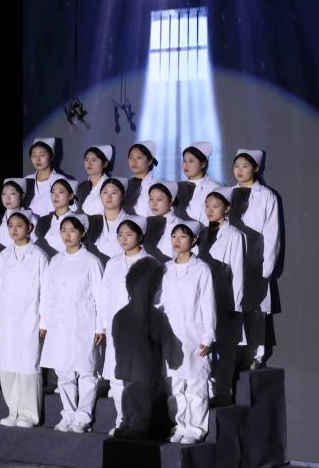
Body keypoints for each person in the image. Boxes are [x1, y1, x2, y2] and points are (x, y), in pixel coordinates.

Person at [40, 215, 105, 432]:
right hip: (59, 325)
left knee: (86, 371)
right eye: (63, 230)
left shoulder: (91, 262)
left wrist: (100, 326)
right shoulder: (56, 261)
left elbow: (100, 298)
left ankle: (83, 417)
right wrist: (45, 323)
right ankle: (68, 414)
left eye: (72, 230)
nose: (67, 235)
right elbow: (48, 294)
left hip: (84, 323)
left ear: (82, 233)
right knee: (64, 372)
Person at [156, 220, 216, 444]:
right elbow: (160, 301)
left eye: (183, 236)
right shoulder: (165, 268)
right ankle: (179, 425)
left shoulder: (202, 269)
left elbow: (208, 304)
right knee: (174, 385)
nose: (177, 241)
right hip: (170, 335)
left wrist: (208, 336)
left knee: (195, 384)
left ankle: (195, 429)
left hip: (194, 333)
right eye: (174, 236)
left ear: (194, 240)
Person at [101, 217, 162, 438]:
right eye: (120, 235)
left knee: (138, 377)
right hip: (118, 328)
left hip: (140, 328)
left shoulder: (151, 263)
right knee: (118, 377)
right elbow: (104, 296)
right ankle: (123, 420)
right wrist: (103, 325)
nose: (124, 239)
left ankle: (139, 423)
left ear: (140, 236)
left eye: (129, 234)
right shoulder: (113, 263)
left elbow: (158, 298)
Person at [0, 211, 48, 428]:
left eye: (19, 225)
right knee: (6, 367)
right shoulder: (3, 256)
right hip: (5, 320)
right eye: (10, 225)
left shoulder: (39, 256)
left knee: (27, 367)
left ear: (30, 228)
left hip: (29, 318)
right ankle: (12, 411)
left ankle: (28, 414)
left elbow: (46, 291)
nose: (14, 230)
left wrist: (44, 322)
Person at [229, 149, 281, 369]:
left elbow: (272, 233)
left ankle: (256, 355)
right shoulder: (228, 194)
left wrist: (266, 267)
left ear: (256, 168)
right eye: (236, 166)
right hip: (232, 260)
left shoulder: (267, 196)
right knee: (234, 307)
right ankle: (236, 353)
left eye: (245, 166)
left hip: (255, 260)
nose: (239, 171)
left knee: (257, 309)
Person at [198, 189, 246, 403]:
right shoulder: (201, 233)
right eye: (207, 206)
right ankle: (206, 391)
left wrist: (235, 304)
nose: (210, 210)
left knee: (225, 345)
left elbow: (238, 271)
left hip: (224, 295)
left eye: (215, 206)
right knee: (205, 343)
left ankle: (224, 392)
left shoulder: (234, 235)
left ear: (227, 209)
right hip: (202, 295)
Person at [84, 177, 131, 261]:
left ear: (123, 196)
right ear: (100, 195)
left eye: (114, 192)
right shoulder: (91, 222)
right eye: (105, 192)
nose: (109, 197)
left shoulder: (132, 222)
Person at [0, 178, 38, 252]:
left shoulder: (31, 219)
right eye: (4, 194)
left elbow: (35, 244)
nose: (7, 198)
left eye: (12, 193)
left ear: (22, 195)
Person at [24, 137, 71, 217]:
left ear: (51, 156)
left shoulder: (61, 180)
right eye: (34, 155)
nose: (37, 159)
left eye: (42, 155)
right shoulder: (27, 180)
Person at [144, 181, 188, 262]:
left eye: (159, 199)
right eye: (151, 199)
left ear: (171, 201)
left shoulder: (179, 225)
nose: (154, 204)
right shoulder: (146, 222)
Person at [180, 141, 223, 224]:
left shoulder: (214, 188)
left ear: (203, 164)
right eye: (184, 161)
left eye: (191, 161)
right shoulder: (179, 187)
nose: (186, 165)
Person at [35, 178, 79, 258]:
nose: (55, 196)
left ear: (70, 196)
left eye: (61, 192)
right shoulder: (43, 221)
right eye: (53, 192)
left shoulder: (77, 220)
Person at [125, 140, 160, 217]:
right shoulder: (125, 184)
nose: (134, 162)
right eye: (131, 157)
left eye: (139, 158)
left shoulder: (157, 186)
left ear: (150, 161)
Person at [77, 144, 114, 215]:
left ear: (105, 164)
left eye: (93, 160)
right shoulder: (81, 187)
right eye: (86, 159)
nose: (89, 164)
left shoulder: (111, 186)